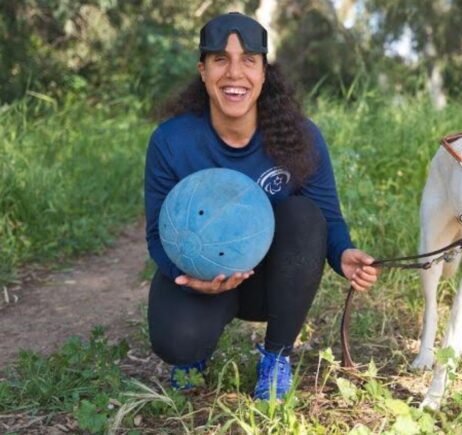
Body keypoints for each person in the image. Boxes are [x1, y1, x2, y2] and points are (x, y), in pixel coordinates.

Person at [144, 12, 379, 400]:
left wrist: (344, 254)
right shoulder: (171, 141)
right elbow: (156, 234)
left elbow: (328, 218)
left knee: (304, 216)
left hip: (269, 283)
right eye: (220, 59)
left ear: (263, 73)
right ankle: (195, 354)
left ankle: (276, 357)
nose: (234, 73)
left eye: (248, 60)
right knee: (177, 343)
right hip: (203, 277)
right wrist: (191, 278)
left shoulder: (301, 137)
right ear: (203, 71)